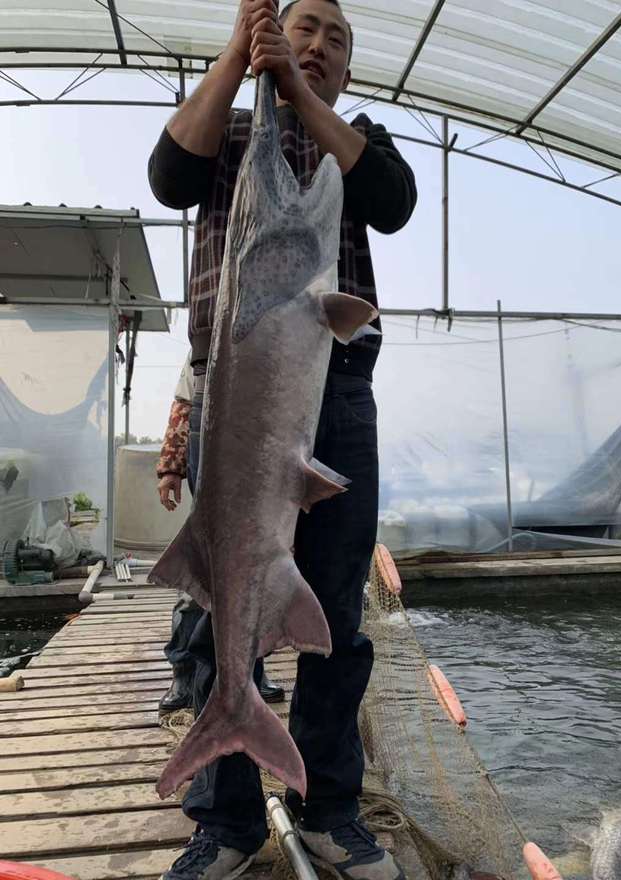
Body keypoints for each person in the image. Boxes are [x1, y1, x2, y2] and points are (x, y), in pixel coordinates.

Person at [148, 1, 416, 877]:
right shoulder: (224, 132)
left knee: (336, 611)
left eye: (338, 40)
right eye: (306, 28)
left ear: (344, 69)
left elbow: (393, 199)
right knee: (219, 606)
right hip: (231, 392)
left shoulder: (357, 136)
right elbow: (167, 177)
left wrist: (298, 92)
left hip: (334, 394)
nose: (320, 45)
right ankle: (224, 824)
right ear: (269, 36)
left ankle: (328, 811)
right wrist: (235, 57)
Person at [156, 351, 284, 711]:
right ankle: (183, 670)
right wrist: (170, 467)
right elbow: (183, 402)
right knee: (202, 570)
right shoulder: (205, 342)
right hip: (209, 450)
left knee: (252, 576)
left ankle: (253, 672)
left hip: (256, 461)